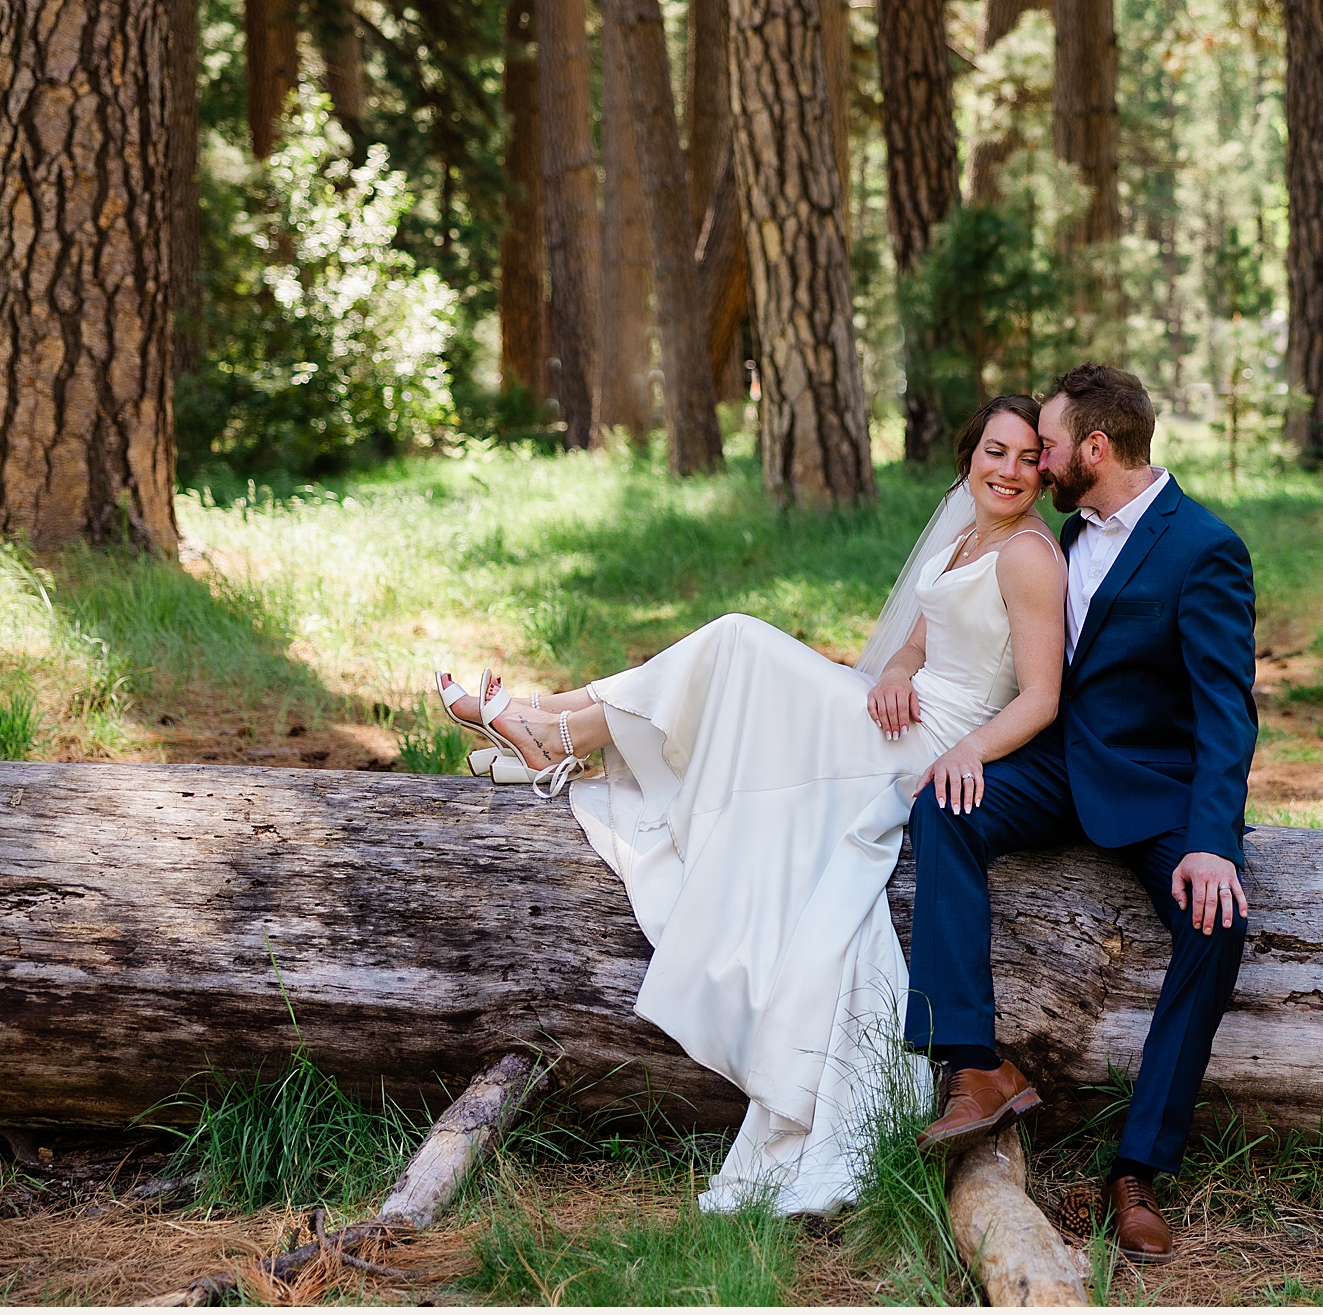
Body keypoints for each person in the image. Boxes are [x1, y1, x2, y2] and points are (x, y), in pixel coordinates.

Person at [435, 395, 1065, 1214]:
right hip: (901, 712)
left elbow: (1041, 698)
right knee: (736, 657)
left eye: (1025, 458)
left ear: (1044, 473)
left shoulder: (1026, 556)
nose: (1008, 471)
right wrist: (900, 673)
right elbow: (919, 641)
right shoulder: (965, 535)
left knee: (738, 642)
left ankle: (552, 725)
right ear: (968, 456)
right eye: (994, 452)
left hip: (934, 743)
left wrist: (962, 753)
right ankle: (553, 728)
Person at [903, 362, 1258, 1267]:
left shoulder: (1202, 547)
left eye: (1051, 444)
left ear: (1094, 449)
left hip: (1154, 793)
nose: (1038, 458)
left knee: (1214, 929)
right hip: (1057, 768)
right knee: (944, 810)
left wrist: (1213, 843)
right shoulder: (1064, 530)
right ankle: (973, 1063)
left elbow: (1226, 710)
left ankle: (1136, 1170)